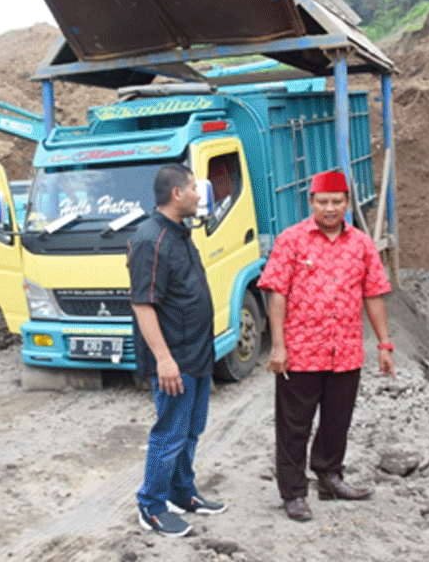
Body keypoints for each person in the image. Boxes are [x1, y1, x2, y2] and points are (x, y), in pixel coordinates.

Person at [257, 170, 395, 522]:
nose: (330, 208)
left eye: (336, 201)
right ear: (311, 203)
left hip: (345, 351)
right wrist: (278, 345)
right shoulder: (292, 241)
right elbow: (277, 293)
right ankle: (293, 493)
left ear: (347, 203)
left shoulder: (361, 244)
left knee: (337, 421)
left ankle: (330, 477)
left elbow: (373, 295)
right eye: (323, 201)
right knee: (294, 426)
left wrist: (384, 344)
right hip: (301, 352)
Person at [127, 163, 227, 537]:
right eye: (194, 189)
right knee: (170, 433)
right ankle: (151, 505)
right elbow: (142, 304)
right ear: (177, 194)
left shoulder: (180, 233)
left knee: (191, 430)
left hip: (197, 354)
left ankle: (182, 493)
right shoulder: (148, 239)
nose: (200, 195)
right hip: (176, 359)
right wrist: (164, 360)